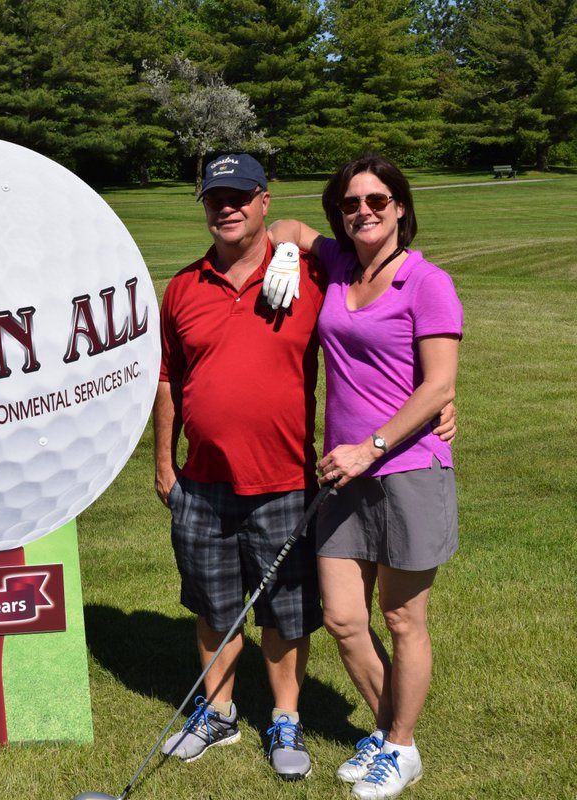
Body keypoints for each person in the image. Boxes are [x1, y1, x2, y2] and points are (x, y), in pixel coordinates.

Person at [266, 154, 462, 799]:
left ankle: (400, 747)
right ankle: (389, 734)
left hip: (404, 470)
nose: (364, 212)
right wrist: (291, 258)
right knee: (345, 618)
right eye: (352, 204)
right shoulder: (342, 264)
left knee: (403, 621)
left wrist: (370, 446)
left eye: (377, 201)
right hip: (343, 477)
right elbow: (286, 228)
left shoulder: (426, 282)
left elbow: (438, 384)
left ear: (401, 206)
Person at [153, 153, 328, 781]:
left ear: (263, 202)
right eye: (213, 198)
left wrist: (301, 236)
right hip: (200, 482)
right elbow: (169, 378)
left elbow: (379, 283)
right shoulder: (182, 286)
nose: (225, 207)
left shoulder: (308, 278)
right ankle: (219, 711)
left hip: (283, 479)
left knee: (284, 608)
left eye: (239, 196)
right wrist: (163, 461)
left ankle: (285, 716)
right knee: (213, 602)